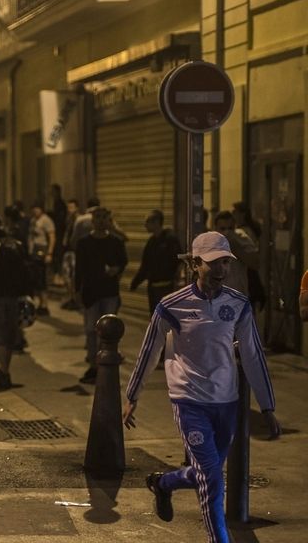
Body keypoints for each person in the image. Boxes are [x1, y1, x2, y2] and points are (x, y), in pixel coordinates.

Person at [124, 231, 281, 542]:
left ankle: (164, 484)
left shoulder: (238, 305)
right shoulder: (171, 305)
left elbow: (252, 356)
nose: (221, 269)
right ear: (195, 263)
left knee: (205, 475)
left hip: (227, 401)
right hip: (189, 400)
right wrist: (132, 396)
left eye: (225, 262)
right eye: (213, 263)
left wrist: (268, 407)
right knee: (211, 477)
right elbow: (149, 351)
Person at [75, 207, 127, 384]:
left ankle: (106, 364)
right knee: (91, 330)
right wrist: (76, 291)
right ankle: (93, 364)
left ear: (109, 220)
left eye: (104, 217)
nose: (100, 220)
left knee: (109, 331)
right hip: (91, 292)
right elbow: (79, 269)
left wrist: (116, 270)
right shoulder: (84, 243)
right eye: (97, 217)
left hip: (109, 292)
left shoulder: (115, 242)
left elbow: (123, 261)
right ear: (92, 220)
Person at [0, 215, 29, 389]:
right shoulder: (17, 245)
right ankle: (4, 370)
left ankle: (4, 371)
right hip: (14, 297)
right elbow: (25, 272)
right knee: (9, 334)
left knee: (0, 334)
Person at [129, 210, 183, 315]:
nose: (145, 225)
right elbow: (145, 266)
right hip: (153, 287)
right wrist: (135, 283)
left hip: (166, 286)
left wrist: (177, 278)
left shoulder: (170, 239)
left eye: (148, 222)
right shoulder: (152, 242)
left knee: (166, 317)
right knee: (155, 318)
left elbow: (179, 260)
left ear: (157, 222)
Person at [212, 210, 258, 297]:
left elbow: (255, 263)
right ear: (216, 228)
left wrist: (235, 247)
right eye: (222, 229)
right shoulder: (210, 243)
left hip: (237, 296)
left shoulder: (241, 239)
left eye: (230, 228)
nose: (227, 232)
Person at [27, 202, 56, 315]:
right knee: (35, 279)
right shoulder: (33, 220)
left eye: (37, 208)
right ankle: (39, 303)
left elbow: (52, 237)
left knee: (41, 278)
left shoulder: (46, 220)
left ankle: (44, 304)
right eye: (34, 209)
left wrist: (49, 253)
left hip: (41, 250)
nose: (35, 211)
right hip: (33, 251)